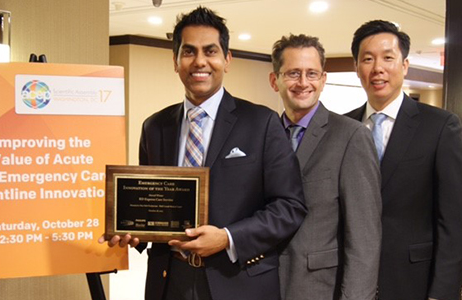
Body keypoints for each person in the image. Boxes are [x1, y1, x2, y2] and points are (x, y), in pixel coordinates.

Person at [99, 6, 307, 300]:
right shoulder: (155, 126)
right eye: (188, 52)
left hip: (239, 281)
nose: (200, 62)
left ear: (227, 59)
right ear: (175, 60)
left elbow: (289, 207)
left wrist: (227, 238)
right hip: (170, 281)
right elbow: (151, 204)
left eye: (210, 51)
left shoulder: (261, 122)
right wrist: (133, 232)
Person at [343, 20, 462, 300]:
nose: (378, 68)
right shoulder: (343, 127)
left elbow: (454, 221)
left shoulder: (439, 126)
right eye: (367, 59)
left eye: (388, 58)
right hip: (351, 283)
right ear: (357, 68)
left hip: (414, 281)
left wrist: (443, 292)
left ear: (404, 65)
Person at [268, 34, 381, 300]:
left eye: (312, 74)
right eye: (293, 73)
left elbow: (364, 238)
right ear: (275, 80)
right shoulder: (264, 134)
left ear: (323, 80)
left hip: (319, 289)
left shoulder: (351, 136)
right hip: (264, 285)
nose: (303, 83)